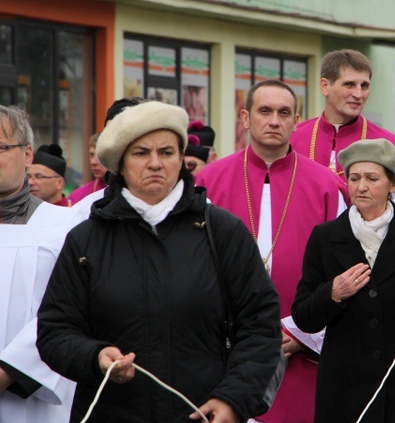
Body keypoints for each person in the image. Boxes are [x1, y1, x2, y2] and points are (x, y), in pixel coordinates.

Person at [37, 100, 282, 423]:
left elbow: (260, 325)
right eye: (141, 153)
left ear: (181, 159)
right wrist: (94, 356)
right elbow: (55, 331)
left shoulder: (222, 231)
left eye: (166, 152)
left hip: (203, 414)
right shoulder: (86, 239)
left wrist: (233, 399)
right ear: (120, 163)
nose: (155, 163)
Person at [196, 80, 345, 423]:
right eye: (264, 111)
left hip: (300, 348)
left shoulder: (326, 185)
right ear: (246, 118)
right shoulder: (209, 181)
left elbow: (340, 270)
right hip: (223, 349)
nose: (274, 121)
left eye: (284, 113)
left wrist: (299, 330)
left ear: (297, 120)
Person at [292, 138, 395, 423]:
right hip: (345, 390)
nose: (361, 186)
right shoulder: (325, 237)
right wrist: (333, 292)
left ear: (393, 184)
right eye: (354, 178)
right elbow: (304, 316)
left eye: (371, 178)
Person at [0, 105, 75, 422]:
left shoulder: (64, 227)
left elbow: (68, 310)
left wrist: (9, 371)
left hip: (29, 398)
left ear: (28, 154)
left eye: (1, 147)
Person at [290, 49, 395, 211]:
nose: (358, 94)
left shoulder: (389, 146)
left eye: (364, 86)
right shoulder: (293, 137)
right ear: (325, 86)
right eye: (349, 84)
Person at [68, 133, 106, 206]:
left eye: (99, 155)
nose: (93, 162)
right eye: (91, 155)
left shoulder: (129, 193)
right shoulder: (77, 196)